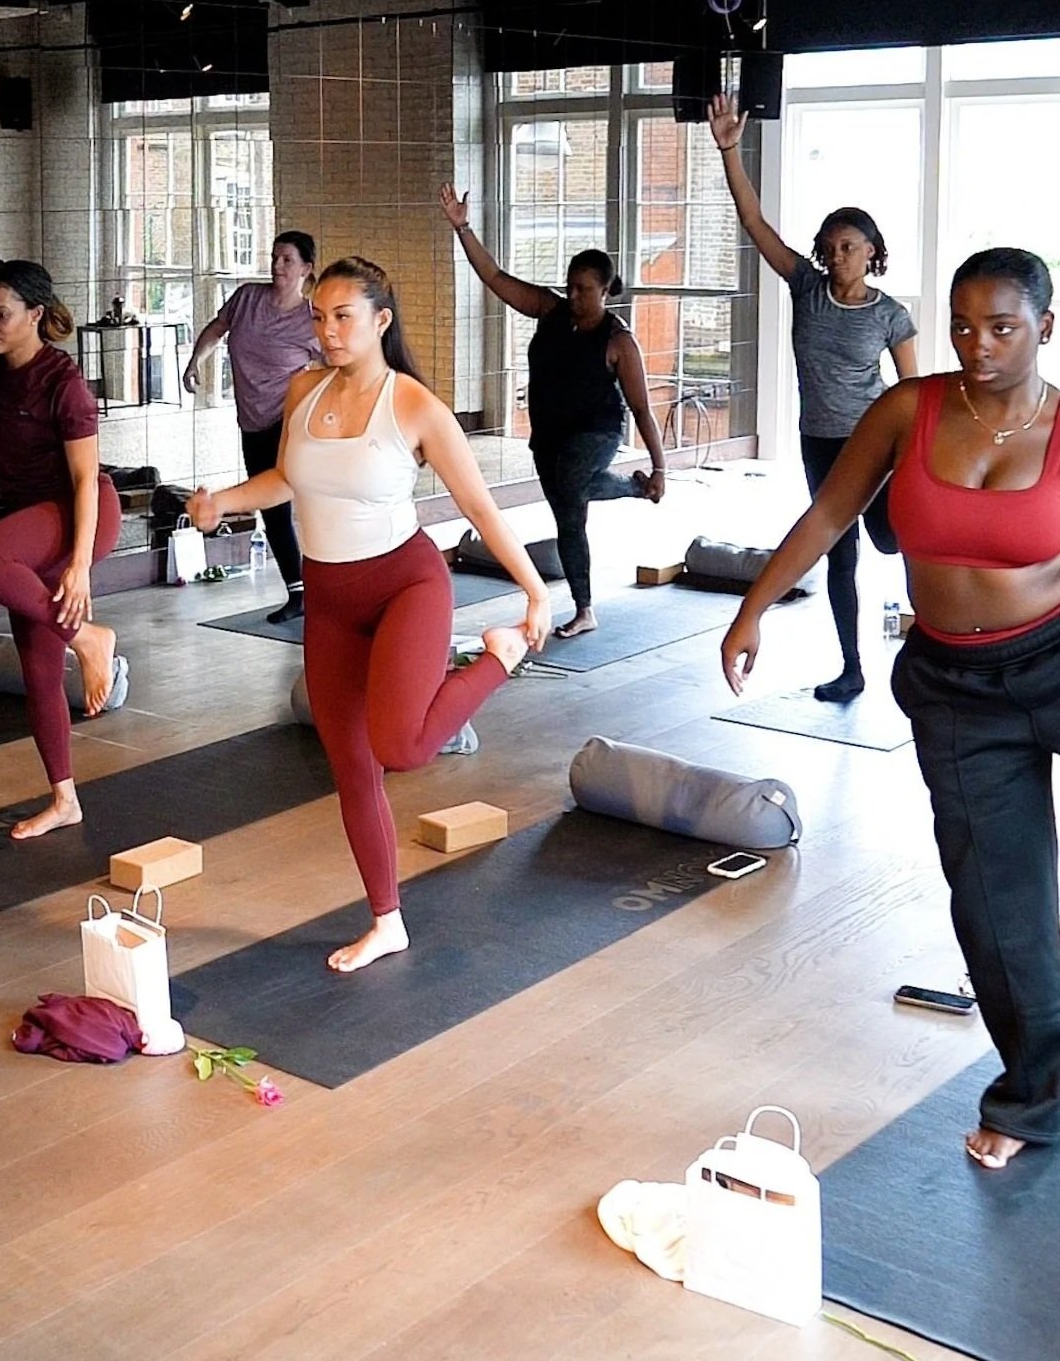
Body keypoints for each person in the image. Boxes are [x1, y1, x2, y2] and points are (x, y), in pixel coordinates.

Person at [721, 247, 1060, 1172]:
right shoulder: (909, 410)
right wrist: (752, 607)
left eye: (1002, 326)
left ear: (1044, 327)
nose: (978, 344)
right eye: (962, 324)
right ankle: (1035, 1101)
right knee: (999, 907)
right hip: (956, 686)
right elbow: (830, 515)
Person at [189, 258, 552, 972]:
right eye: (318, 317)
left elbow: (479, 505)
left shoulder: (414, 405)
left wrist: (536, 592)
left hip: (405, 588)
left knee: (404, 747)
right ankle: (387, 921)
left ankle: (501, 657)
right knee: (353, 767)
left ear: (381, 320)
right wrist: (223, 501)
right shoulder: (304, 390)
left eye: (342, 316)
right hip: (330, 602)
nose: (326, 330)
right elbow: (289, 478)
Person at [708, 94, 918, 700]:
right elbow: (754, 224)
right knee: (838, 550)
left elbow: (910, 393)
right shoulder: (806, 286)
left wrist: (914, 459)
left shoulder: (891, 316)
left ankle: (928, 638)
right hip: (821, 442)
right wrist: (729, 151)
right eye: (828, 247)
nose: (835, 256)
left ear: (873, 252)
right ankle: (851, 668)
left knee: (892, 539)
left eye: (848, 247)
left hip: (876, 445)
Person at [0, 260, 120, 841]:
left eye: (1, 315)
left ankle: (88, 637)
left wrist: (80, 566)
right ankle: (64, 799)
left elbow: (85, 481)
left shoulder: (66, 385)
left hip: (77, 516)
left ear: (35, 316)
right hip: (26, 521)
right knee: (37, 667)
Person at [441, 186, 667, 636]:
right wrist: (462, 227)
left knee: (571, 482)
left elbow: (641, 408)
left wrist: (659, 466)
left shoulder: (619, 341)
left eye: (585, 289)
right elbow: (494, 277)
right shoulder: (549, 310)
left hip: (596, 433)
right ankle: (585, 610)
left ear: (606, 291)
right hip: (548, 435)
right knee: (568, 516)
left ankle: (631, 488)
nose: (576, 295)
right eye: (571, 287)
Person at [182, 230, 321, 623]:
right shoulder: (247, 298)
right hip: (252, 420)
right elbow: (216, 328)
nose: (277, 266)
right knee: (271, 510)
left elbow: (338, 365)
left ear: (306, 269)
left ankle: (311, 591)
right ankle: (299, 592)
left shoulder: (310, 320)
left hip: (287, 422)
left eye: (287, 260)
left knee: (281, 505)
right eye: (275, 258)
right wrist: (196, 361)